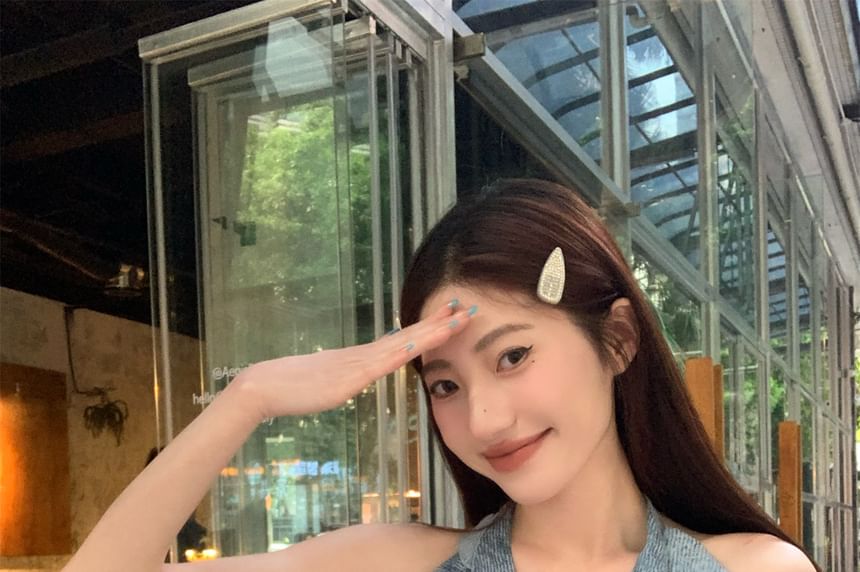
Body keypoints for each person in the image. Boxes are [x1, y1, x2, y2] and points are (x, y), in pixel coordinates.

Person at [64, 179, 818, 571]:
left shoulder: (755, 570)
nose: (483, 419)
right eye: (445, 385)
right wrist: (248, 397)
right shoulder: (395, 564)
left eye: (512, 356)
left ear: (617, 340)